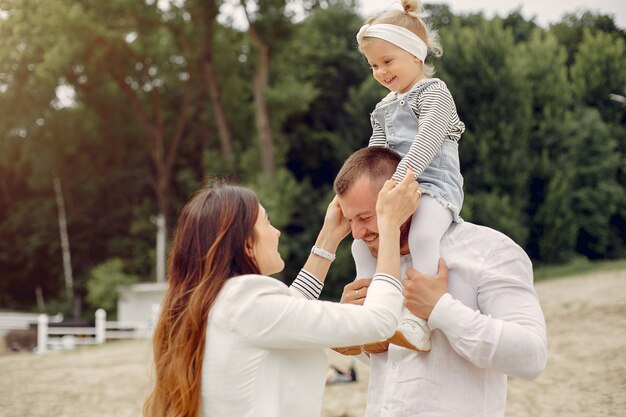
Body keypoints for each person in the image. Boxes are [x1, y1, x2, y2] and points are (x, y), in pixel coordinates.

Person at [142, 172, 420, 417]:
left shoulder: (218, 301)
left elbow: (286, 312)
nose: (275, 233)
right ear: (246, 243)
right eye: (266, 222)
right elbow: (379, 321)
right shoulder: (244, 298)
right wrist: (389, 225)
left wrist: (328, 238)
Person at [334, 147, 547, 417]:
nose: (357, 233)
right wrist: (359, 327)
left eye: (364, 218)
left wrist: (440, 309)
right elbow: (394, 365)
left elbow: (532, 357)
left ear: (402, 198)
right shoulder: (378, 266)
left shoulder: (489, 250)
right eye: (350, 220)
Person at [351, 0, 466, 352]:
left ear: (415, 55)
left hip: (432, 187)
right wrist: (362, 191)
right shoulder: (383, 108)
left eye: (387, 61)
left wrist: (398, 181)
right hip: (397, 188)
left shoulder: (434, 93)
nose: (381, 72)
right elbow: (376, 157)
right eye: (373, 65)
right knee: (360, 243)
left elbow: (428, 139)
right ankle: (369, 316)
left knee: (422, 235)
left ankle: (418, 319)